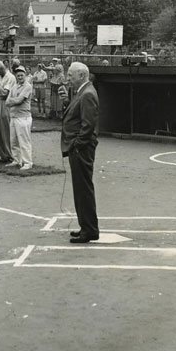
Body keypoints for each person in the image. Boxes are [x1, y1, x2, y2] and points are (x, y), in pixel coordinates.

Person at [59, 62, 100, 243]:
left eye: (70, 75)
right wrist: (67, 103)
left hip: (81, 148)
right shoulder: (82, 92)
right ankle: (87, 227)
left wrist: (77, 145)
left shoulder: (87, 94)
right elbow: (77, 115)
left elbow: (88, 125)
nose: (68, 78)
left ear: (82, 75)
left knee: (83, 190)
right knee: (81, 189)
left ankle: (89, 229)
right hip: (78, 147)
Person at [6, 66, 34, 170]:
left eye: (22, 75)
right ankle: (16, 160)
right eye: (18, 75)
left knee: (24, 141)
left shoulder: (27, 86)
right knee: (13, 141)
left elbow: (19, 101)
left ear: (25, 75)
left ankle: (27, 162)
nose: (20, 77)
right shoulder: (14, 87)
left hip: (23, 117)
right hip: (13, 116)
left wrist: (14, 100)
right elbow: (7, 102)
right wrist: (15, 100)